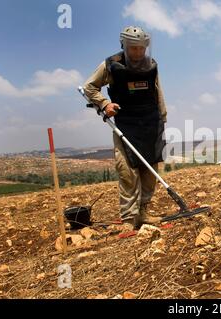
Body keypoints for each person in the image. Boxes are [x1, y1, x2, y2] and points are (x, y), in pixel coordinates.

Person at [83, 26, 167, 231]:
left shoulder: (151, 65)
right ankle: (129, 218)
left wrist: (162, 117)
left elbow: (158, 92)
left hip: (150, 122)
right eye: (133, 48)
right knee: (127, 171)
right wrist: (104, 104)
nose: (138, 52)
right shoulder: (110, 65)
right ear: (124, 45)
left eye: (141, 48)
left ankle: (143, 213)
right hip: (125, 124)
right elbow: (89, 87)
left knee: (149, 170)